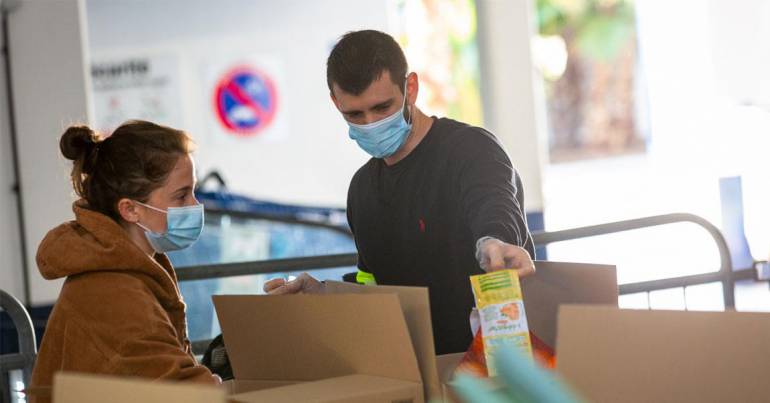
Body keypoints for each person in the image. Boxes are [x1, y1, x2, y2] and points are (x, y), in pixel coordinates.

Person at [265, 30, 536, 354]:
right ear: (335, 102)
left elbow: (494, 204)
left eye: (382, 108)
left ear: (410, 88)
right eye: (354, 114)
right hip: (417, 373)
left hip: (498, 365)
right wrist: (324, 296)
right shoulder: (362, 190)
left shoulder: (470, 150)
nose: (370, 123)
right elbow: (372, 285)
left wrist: (494, 242)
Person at [30, 120, 220, 400]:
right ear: (131, 209)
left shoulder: (130, 268)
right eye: (181, 196)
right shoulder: (111, 290)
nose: (194, 206)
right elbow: (181, 391)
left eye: (193, 191)